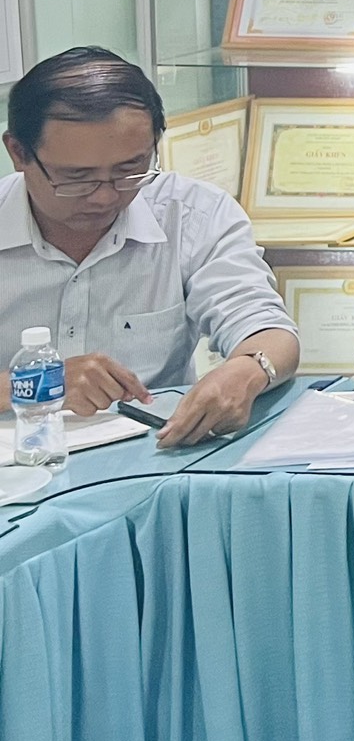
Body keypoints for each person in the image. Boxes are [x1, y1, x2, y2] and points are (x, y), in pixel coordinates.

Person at [0, 47, 298, 448]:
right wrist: (31, 385)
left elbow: (268, 328)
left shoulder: (193, 215)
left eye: (130, 170)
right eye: (76, 177)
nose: (105, 197)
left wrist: (247, 370)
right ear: (18, 153)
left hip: (152, 454)